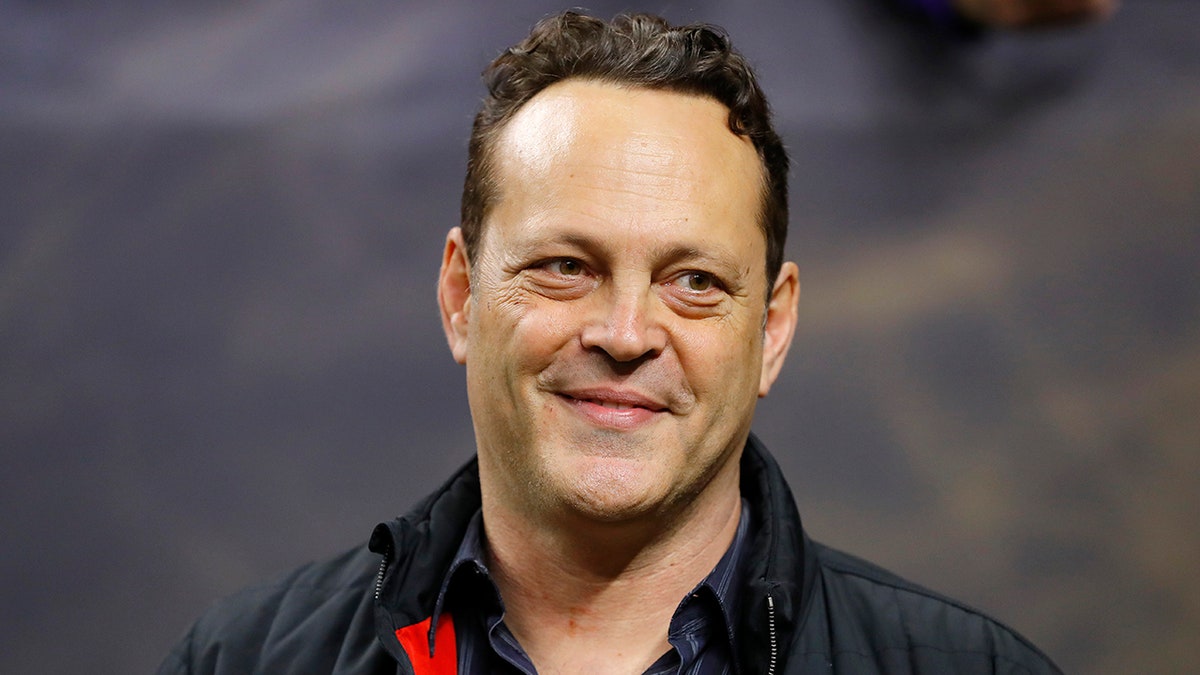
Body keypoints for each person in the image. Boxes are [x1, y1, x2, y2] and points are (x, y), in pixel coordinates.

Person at [158, 11, 1062, 674]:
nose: (627, 335)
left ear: (773, 328)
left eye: (695, 282)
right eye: (564, 266)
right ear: (461, 293)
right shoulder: (242, 658)